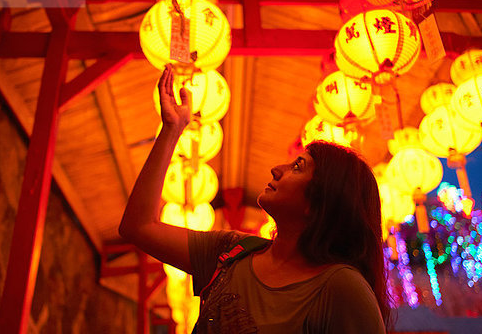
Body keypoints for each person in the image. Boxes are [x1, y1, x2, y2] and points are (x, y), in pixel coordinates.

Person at [119, 66, 391, 333]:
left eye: (297, 167)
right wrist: (172, 129)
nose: (277, 169)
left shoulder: (341, 288)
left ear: (320, 202)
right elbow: (138, 227)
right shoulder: (231, 251)